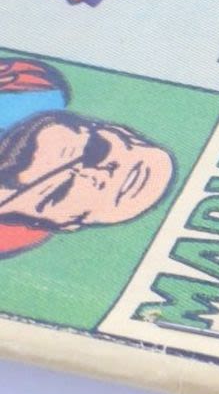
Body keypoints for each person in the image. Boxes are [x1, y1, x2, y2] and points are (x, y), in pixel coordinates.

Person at [0, 57, 174, 257]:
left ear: (65, 223)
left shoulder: (8, 239)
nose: (79, 171)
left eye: (60, 191)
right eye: (95, 151)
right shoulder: (35, 88)